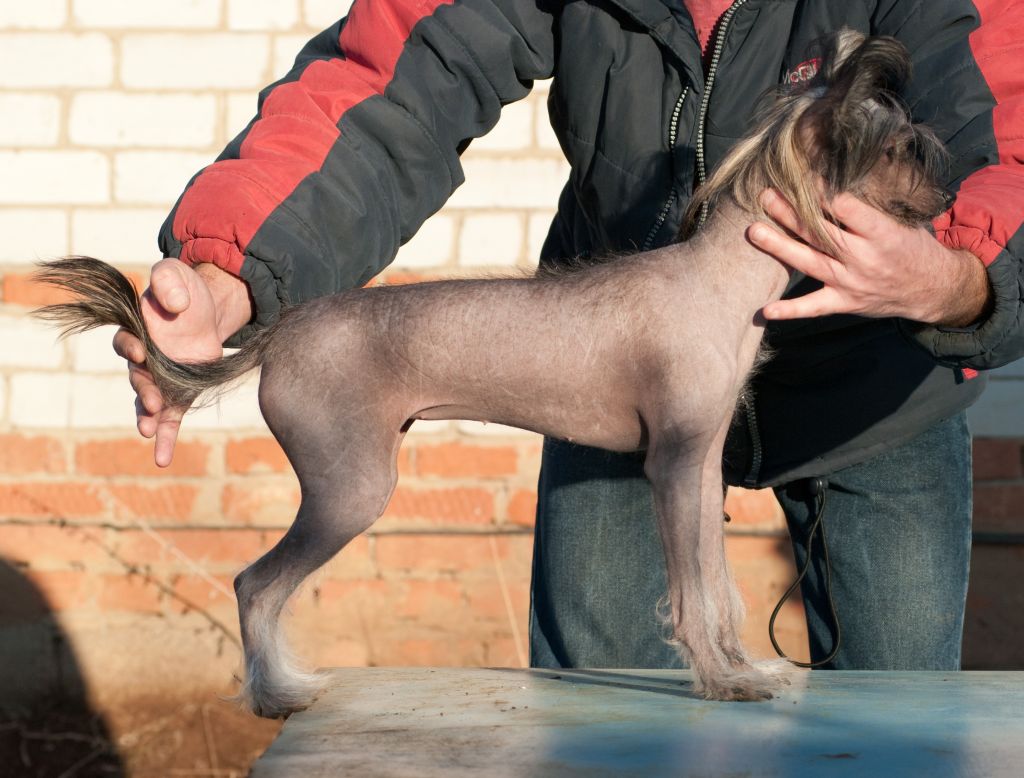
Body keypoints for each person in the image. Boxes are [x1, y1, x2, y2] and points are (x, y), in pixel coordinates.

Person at [115, 0, 1023, 671]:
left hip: (878, 394)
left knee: (899, 742)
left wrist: (958, 275)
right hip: (607, 377)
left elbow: (1007, 136)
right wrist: (230, 270)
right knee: (602, 728)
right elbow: (387, 86)